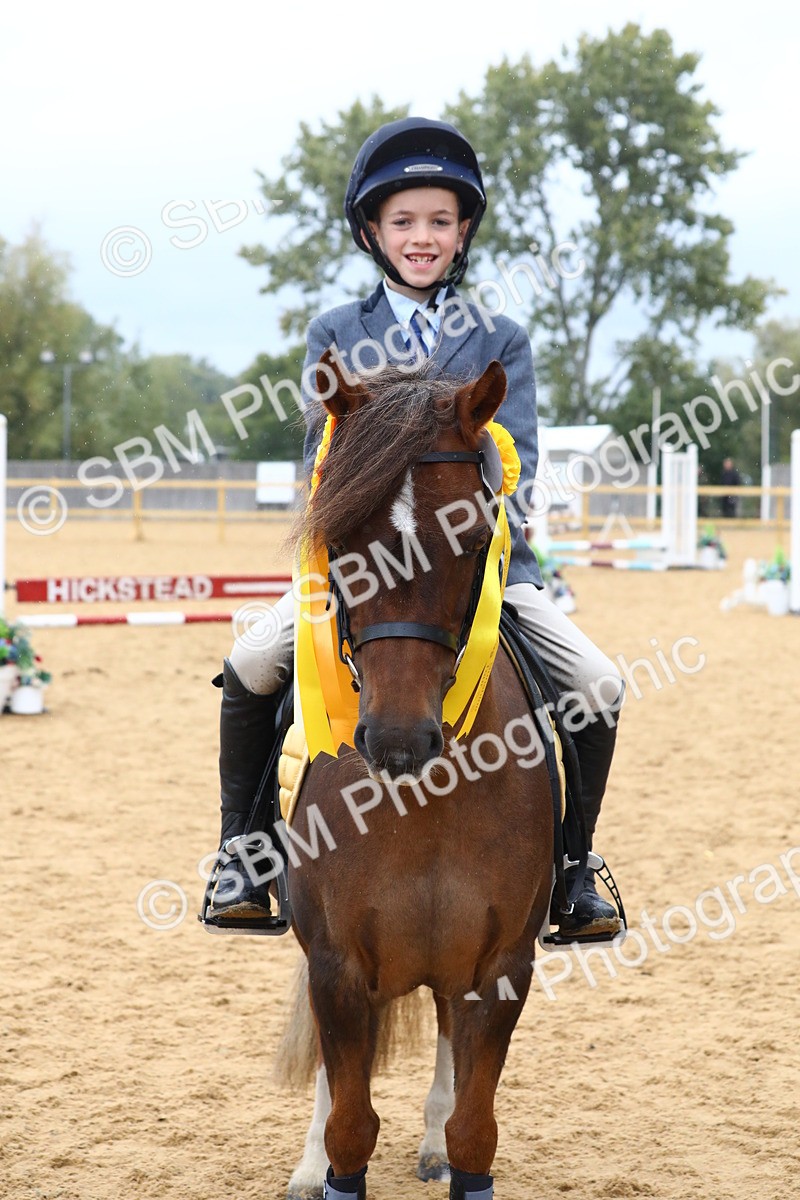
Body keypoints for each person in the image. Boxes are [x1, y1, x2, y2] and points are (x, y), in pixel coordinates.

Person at [203, 117, 625, 940]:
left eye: (439, 220)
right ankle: (241, 854)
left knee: (598, 683)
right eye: (403, 221)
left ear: (463, 232)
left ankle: (575, 870)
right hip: (359, 570)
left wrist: (458, 535)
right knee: (252, 662)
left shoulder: (501, 340)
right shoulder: (336, 332)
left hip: (480, 566)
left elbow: (515, 466)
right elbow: (325, 466)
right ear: (373, 232)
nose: (421, 237)